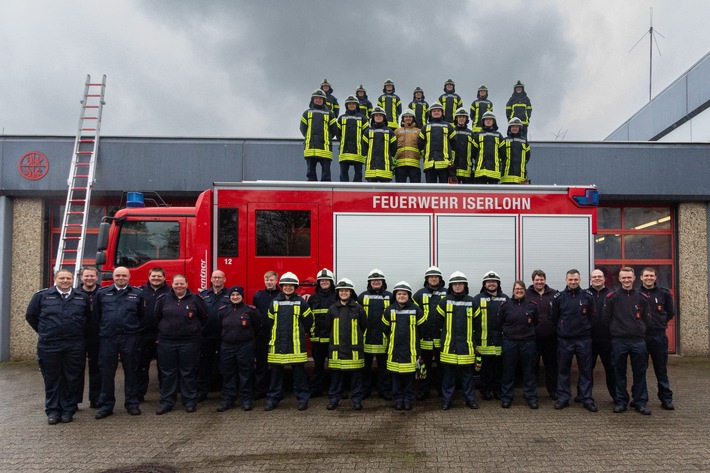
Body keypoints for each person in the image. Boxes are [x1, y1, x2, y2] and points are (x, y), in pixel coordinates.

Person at [25, 269, 91, 424]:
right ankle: (53, 411)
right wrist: (45, 331)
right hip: (49, 344)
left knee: (72, 377)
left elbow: (88, 318)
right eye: (62, 278)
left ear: (72, 279)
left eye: (68, 278)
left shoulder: (82, 297)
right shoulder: (42, 296)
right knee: (51, 378)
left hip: (74, 344)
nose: (65, 281)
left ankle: (68, 410)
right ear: (55, 279)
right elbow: (31, 316)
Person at [93, 267, 145, 419]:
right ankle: (106, 405)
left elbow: (142, 317)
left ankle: (132, 404)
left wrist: (132, 330)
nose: (120, 278)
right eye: (118, 275)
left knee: (131, 371)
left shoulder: (137, 294)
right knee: (107, 373)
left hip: (129, 338)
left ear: (129, 277)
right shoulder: (102, 293)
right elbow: (97, 316)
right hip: (108, 339)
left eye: (124, 275)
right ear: (113, 277)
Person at [154, 274, 208, 415]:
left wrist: (193, 330)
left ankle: (189, 401)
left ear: (187, 284)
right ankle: (167, 402)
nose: (179, 286)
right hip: (167, 342)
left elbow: (204, 317)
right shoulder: (163, 300)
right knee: (168, 373)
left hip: (189, 342)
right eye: (176, 284)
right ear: (171, 284)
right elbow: (157, 318)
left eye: (181, 283)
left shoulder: (195, 299)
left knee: (188, 372)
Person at [603, 267, 652, 415]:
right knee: (619, 372)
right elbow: (606, 319)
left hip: (638, 341)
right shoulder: (612, 297)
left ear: (634, 278)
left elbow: (647, 318)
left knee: (640, 373)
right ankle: (621, 401)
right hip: (619, 341)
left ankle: (640, 402)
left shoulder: (642, 297)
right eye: (623, 278)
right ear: (619, 279)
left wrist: (639, 329)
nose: (626, 280)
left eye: (629, 277)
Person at [264, 272, 314, 411]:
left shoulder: (301, 302)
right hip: (277, 344)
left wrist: (300, 333)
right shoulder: (274, 302)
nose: (288, 288)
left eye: (291, 285)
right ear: (282, 286)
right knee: (276, 375)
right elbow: (270, 321)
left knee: (299, 375)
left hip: (296, 345)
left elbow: (309, 321)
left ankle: (303, 399)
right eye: (285, 285)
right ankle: (273, 399)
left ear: (295, 287)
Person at [551, 269, 597, 412]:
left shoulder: (587, 296)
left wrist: (586, 328)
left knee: (586, 370)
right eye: (570, 280)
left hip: (583, 339)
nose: (573, 282)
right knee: (563, 370)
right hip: (565, 340)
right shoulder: (559, 297)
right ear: (566, 280)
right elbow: (554, 317)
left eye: (575, 279)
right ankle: (563, 398)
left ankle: (586, 398)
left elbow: (593, 317)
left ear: (580, 280)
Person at [436, 272, 479, 410]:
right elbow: (438, 322)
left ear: (465, 285)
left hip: (466, 346)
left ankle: (470, 399)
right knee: (448, 376)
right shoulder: (444, 301)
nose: (458, 286)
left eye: (460, 283)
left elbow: (477, 324)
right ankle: (447, 400)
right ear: (451, 286)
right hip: (449, 346)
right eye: (455, 284)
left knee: (468, 375)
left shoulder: (472, 302)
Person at [381, 281, 425, 410]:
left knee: (410, 380)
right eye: (399, 294)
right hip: (394, 351)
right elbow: (384, 328)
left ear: (409, 295)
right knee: (396, 379)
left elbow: (423, 329)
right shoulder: (389, 310)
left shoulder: (416, 310)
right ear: (395, 295)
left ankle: (408, 400)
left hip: (411, 352)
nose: (402, 296)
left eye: (404, 294)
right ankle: (398, 400)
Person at [216, 285, 261, 412]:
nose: (235, 297)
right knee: (228, 374)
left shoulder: (251, 310)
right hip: (227, 346)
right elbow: (218, 327)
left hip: (245, 346)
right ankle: (227, 400)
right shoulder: (223, 310)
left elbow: (258, 327)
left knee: (245, 374)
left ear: (242, 296)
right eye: (233, 295)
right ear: (229, 297)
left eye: (238, 295)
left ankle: (246, 400)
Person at [326, 278, 368, 411]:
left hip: (354, 349)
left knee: (356, 378)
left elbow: (364, 326)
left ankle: (356, 400)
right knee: (336, 378)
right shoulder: (332, 309)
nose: (344, 293)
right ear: (338, 293)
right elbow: (329, 327)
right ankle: (334, 400)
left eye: (346, 291)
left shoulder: (358, 308)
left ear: (351, 292)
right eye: (341, 291)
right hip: (337, 349)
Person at [498, 280, 539, 409]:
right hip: (510, 343)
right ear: (513, 291)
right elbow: (500, 323)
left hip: (528, 343)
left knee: (529, 371)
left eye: (521, 289)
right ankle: (507, 398)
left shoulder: (532, 306)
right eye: (517, 289)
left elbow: (536, 322)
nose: (519, 291)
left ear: (525, 291)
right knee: (508, 372)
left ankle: (531, 397)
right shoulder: (505, 306)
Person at [639, 267, 675, 410]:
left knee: (661, 369)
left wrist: (659, 323)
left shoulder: (663, 293)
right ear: (641, 277)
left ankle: (666, 398)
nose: (649, 278)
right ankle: (639, 398)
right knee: (640, 369)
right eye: (646, 275)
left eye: (651, 275)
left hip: (659, 336)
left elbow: (670, 312)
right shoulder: (636, 293)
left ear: (655, 277)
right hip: (641, 337)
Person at [578, 268, 615, 402]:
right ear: (590, 279)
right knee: (586, 370)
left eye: (599, 276)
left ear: (604, 278)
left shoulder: (612, 294)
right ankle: (583, 395)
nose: (597, 279)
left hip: (608, 339)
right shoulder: (584, 294)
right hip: (589, 339)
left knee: (611, 370)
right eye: (594, 277)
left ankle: (616, 396)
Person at [472, 271, 508, 400]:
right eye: (488, 282)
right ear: (484, 284)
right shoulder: (477, 299)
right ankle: (485, 391)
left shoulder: (505, 299)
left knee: (499, 369)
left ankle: (497, 390)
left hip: (500, 342)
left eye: (494, 282)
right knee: (485, 370)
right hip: (483, 342)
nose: (491, 284)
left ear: (498, 284)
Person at [412, 266, 447, 401]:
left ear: (440, 279)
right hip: (424, 338)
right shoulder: (419, 294)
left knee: (442, 366)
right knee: (423, 366)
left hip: (442, 338)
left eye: (436, 276)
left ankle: (442, 390)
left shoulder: (446, 293)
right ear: (427, 279)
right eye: (431, 277)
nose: (433, 279)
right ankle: (423, 390)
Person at [136, 267, 169, 403]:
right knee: (141, 367)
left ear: (164, 278)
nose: (156, 278)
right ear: (149, 277)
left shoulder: (170, 292)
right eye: (153, 276)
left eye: (159, 276)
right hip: (143, 335)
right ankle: (138, 395)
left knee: (164, 368)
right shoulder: (140, 292)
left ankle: (165, 396)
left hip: (162, 336)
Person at [360, 269, 393, 400]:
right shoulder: (362, 296)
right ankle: (365, 390)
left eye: (378, 280)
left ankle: (384, 390)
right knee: (365, 368)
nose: (376, 282)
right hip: (365, 338)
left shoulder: (390, 296)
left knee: (384, 369)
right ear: (369, 282)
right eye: (373, 281)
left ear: (383, 282)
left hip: (384, 338)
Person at [525, 270, 558, 400]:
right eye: (537, 280)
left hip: (551, 338)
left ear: (545, 280)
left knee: (552, 367)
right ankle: (531, 393)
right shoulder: (526, 294)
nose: (539, 282)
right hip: (533, 339)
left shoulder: (554, 294)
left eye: (541, 279)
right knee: (532, 367)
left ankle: (554, 391)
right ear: (533, 281)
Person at [197, 270, 228, 401]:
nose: (217, 280)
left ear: (224, 279)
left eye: (219, 277)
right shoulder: (203, 295)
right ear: (210, 279)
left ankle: (226, 393)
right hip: (206, 336)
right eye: (214, 277)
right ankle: (202, 392)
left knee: (225, 365)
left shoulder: (230, 294)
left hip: (224, 336)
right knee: (204, 365)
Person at [308, 268, 337, 397]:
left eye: (327, 280)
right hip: (317, 339)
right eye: (322, 281)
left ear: (331, 282)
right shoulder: (313, 298)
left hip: (333, 338)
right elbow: (308, 318)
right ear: (318, 282)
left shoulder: (337, 296)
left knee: (335, 366)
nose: (324, 282)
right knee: (318, 366)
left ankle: (336, 390)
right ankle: (316, 389)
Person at [76, 266, 101, 408]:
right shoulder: (75, 294)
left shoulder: (104, 293)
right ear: (81, 277)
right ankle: (74, 401)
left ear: (97, 277)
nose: (89, 278)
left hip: (98, 337)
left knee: (97, 369)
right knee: (76, 370)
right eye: (86, 276)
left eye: (92, 276)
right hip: (79, 336)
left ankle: (96, 399)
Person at [251, 271, 280, 399]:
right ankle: (260, 390)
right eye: (267, 280)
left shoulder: (281, 295)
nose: (269, 282)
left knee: (276, 365)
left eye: (271, 280)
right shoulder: (258, 296)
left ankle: (276, 391)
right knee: (261, 363)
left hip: (277, 334)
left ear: (276, 281)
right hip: (261, 334)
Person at [300, 89, 338, 182]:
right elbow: (303, 128)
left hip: (325, 148)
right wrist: (310, 137)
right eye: (316, 98)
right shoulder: (306, 113)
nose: (318, 100)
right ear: (312, 100)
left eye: (320, 98)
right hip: (310, 147)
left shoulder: (330, 114)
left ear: (324, 100)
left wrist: (327, 138)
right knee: (310, 174)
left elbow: (334, 129)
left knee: (326, 174)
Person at [418, 102, 455, 183]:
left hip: (445, 164)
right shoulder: (425, 127)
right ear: (430, 113)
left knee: (444, 191)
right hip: (430, 164)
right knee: (430, 192)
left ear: (442, 113)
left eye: (438, 110)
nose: (436, 112)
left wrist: (451, 161)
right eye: (434, 111)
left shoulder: (449, 127)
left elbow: (454, 144)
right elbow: (420, 144)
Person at [335, 95, 368, 182]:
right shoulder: (341, 118)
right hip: (344, 150)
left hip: (358, 150)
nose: (351, 105)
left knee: (358, 173)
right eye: (349, 104)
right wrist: (342, 141)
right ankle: (343, 191)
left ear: (357, 105)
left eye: (353, 104)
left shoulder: (363, 119)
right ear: (347, 105)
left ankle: (357, 190)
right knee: (343, 173)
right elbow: (337, 133)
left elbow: (366, 135)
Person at [362, 106, 397, 182]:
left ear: (384, 117)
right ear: (373, 117)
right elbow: (364, 148)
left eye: (380, 115)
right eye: (376, 115)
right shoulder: (367, 132)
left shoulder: (390, 132)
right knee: (371, 192)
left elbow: (394, 149)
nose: (378, 117)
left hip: (385, 168)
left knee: (385, 192)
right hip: (371, 168)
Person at [471, 111, 504, 184]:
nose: (488, 121)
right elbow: (473, 152)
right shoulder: (478, 135)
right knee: (480, 194)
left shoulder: (498, 135)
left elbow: (503, 153)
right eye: (486, 119)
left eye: (490, 119)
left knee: (493, 195)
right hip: (480, 171)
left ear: (493, 121)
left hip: (494, 171)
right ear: (483, 121)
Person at [393, 109, 422, 183]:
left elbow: (423, 146)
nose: (408, 118)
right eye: (406, 117)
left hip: (414, 164)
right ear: (403, 119)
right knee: (399, 189)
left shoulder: (419, 131)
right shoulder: (397, 131)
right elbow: (392, 146)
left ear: (413, 119)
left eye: (410, 117)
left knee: (415, 189)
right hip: (400, 164)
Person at [500, 117, 531, 184]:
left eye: (517, 126)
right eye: (513, 126)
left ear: (520, 128)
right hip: (506, 177)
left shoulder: (524, 141)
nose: (515, 128)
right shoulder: (504, 140)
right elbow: (500, 155)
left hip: (520, 178)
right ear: (509, 128)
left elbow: (527, 156)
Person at [451, 107, 475, 183]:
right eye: (460, 117)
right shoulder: (452, 132)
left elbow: (474, 151)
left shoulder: (471, 134)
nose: (461, 119)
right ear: (456, 119)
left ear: (466, 119)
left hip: (467, 170)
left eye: (463, 117)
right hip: (453, 170)